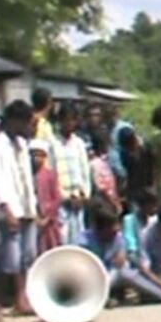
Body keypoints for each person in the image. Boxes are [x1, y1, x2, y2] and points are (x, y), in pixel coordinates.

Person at [0, 100, 38, 315]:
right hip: (10, 209)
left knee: (28, 256)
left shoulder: (22, 144)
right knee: (10, 259)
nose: (27, 126)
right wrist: (7, 209)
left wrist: (33, 207)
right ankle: (0, 303)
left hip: (26, 207)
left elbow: (27, 178)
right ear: (13, 121)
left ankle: (23, 297)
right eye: (25, 122)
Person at [77, 199, 161, 304]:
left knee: (126, 272)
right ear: (99, 229)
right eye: (111, 229)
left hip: (112, 276)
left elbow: (121, 260)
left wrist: (122, 254)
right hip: (90, 279)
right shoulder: (83, 240)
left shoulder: (118, 238)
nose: (116, 230)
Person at [48, 105, 91, 245]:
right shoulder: (52, 143)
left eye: (72, 120)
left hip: (78, 198)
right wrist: (63, 197)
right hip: (62, 200)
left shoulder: (79, 143)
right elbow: (51, 173)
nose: (69, 124)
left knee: (79, 238)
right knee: (63, 237)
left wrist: (84, 194)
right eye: (66, 120)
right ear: (59, 121)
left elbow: (85, 171)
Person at [31, 140, 62, 254]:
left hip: (49, 220)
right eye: (34, 155)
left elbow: (57, 197)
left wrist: (48, 217)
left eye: (39, 155)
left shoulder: (50, 174)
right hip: (34, 218)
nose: (36, 158)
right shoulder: (29, 175)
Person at [121, 188, 159, 266]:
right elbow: (131, 249)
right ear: (142, 205)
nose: (155, 208)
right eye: (152, 205)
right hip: (138, 263)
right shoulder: (129, 220)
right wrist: (141, 265)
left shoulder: (156, 220)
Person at [90, 131, 122, 214]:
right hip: (103, 206)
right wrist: (113, 203)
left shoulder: (106, 162)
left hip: (112, 203)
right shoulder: (95, 164)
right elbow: (101, 188)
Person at [117, 126, 151, 201]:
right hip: (135, 186)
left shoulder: (146, 147)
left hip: (149, 182)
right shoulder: (124, 153)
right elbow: (128, 169)